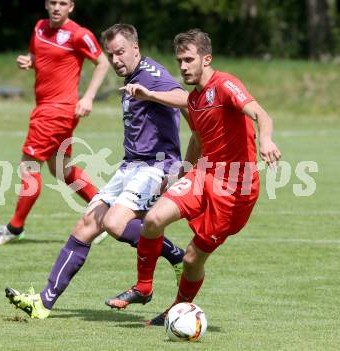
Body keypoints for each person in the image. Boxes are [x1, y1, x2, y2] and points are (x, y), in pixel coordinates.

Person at [4, 23, 188, 319]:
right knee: (85, 226)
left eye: (121, 53)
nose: (115, 60)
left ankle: (177, 255)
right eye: (111, 54)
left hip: (157, 166)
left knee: (115, 224)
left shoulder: (152, 75)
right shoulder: (131, 76)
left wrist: (150, 95)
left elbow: (184, 98)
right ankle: (43, 303)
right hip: (130, 165)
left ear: (136, 49)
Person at [106, 29, 282, 326]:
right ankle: (144, 287)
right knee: (152, 220)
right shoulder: (196, 99)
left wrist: (266, 140)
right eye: (180, 61)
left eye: (189, 60)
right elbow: (198, 139)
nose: (183, 66)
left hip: (235, 190)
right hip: (205, 175)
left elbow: (262, 115)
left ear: (206, 59)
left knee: (191, 260)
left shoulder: (225, 85)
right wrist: (183, 171)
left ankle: (176, 310)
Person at [0, 0, 110, 245]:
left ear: (71, 6)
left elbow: (102, 63)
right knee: (61, 169)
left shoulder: (79, 34)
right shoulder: (40, 27)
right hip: (46, 108)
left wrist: (88, 97)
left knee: (29, 166)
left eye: (63, 3)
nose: (57, 7)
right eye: (53, 2)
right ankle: (106, 216)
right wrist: (28, 62)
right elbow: (35, 55)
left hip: (56, 111)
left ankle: (14, 227)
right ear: (46, 5)